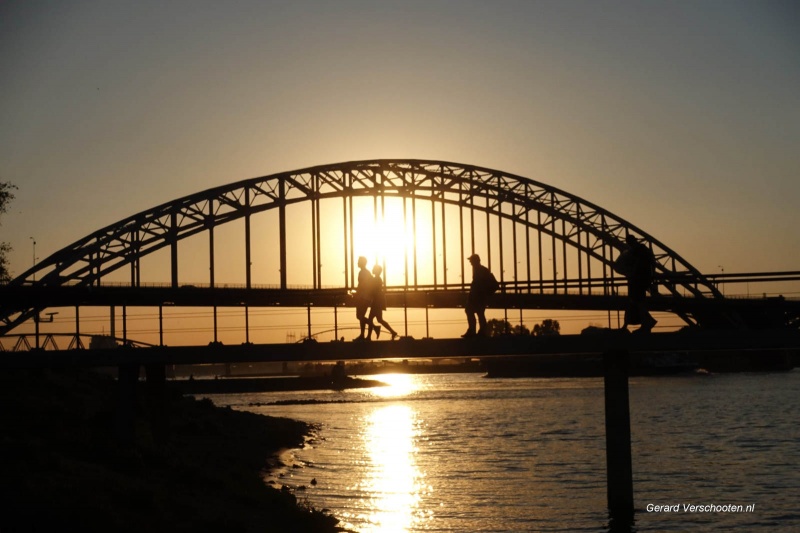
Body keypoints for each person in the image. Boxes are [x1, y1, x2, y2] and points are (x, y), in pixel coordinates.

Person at [615, 235, 657, 333]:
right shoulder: (643, 249)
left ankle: (647, 322)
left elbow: (636, 264)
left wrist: (630, 272)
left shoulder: (636, 251)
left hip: (637, 280)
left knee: (636, 302)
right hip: (643, 279)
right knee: (636, 302)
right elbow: (652, 263)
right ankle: (646, 322)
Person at [463, 254, 499, 337]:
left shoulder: (480, 270)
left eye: (471, 261)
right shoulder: (481, 269)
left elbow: (479, 284)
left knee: (471, 311)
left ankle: (474, 331)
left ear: (476, 261)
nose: (470, 263)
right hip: (480, 296)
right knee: (478, 313)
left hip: (478, 296)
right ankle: (480, 331)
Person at [366, 264, 398, 340]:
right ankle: (393, 332)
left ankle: (369, 337)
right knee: (379, 319)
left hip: (376, 301)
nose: (372, 269)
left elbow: (373, 290)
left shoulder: (376, 279)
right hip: (379, 301)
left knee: (371, 319)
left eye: (373, 268)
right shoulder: (378, 279)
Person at [353, 256, 373, 340]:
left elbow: (362, 285)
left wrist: (357, 293)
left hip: (363, 297)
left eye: (358, 261)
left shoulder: (362, 272)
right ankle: (362, 335)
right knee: (361, 316)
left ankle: (373, 327)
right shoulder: (367, 272)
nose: (357, 263)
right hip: (366, 297)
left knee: (359, 316)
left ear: (362, 262)